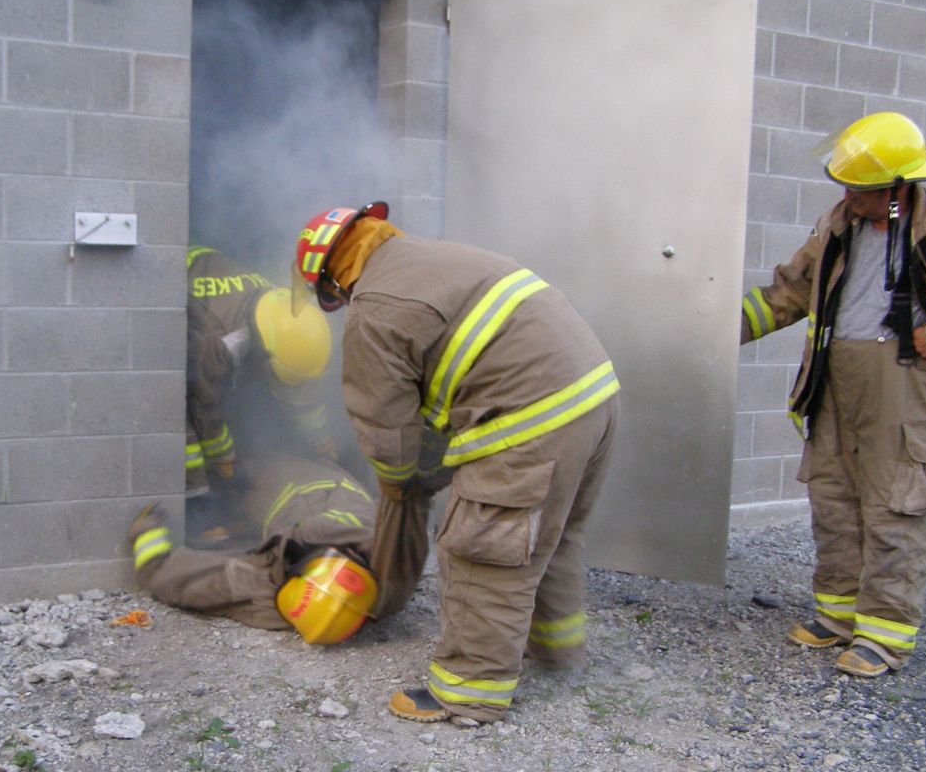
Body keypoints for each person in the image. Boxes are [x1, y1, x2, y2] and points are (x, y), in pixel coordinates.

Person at [290, 202, 620, 723]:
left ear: (334, 279)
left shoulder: (374, 307)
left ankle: (468, 690)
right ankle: (557, 651)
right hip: (593, 399)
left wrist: (402, 493)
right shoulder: (433, 257)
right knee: (546, 536)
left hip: (528, 419)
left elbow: (388, 432)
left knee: (484, 547)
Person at [740, 112, 926, 679]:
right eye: (848, 186)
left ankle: (884, 634)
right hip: (836, 379)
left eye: (863, 189)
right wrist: (717, 329)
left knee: (893, 504)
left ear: (899, 189)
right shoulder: (841, 224)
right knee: (833, 496)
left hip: (903, 385)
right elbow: (791, 292)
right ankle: (838, 614)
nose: (851, 197)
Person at [127, 451, 430, 642]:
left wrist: (147, 536)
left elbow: (181, 580)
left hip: (279, 481)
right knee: (238, 460)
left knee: (235, 470)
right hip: (318, 471)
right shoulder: (391, 569)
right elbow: (410, 506)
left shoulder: (271, 590)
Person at [183, 246, 337, 536]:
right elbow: (204, 405)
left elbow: (305, 392)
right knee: (180, 413)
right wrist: (225, 461)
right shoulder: (222, 343)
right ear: (265, 351)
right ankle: (197, 511)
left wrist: (321, 441)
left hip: (214, 288)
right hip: (180, 295)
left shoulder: (286, 316)